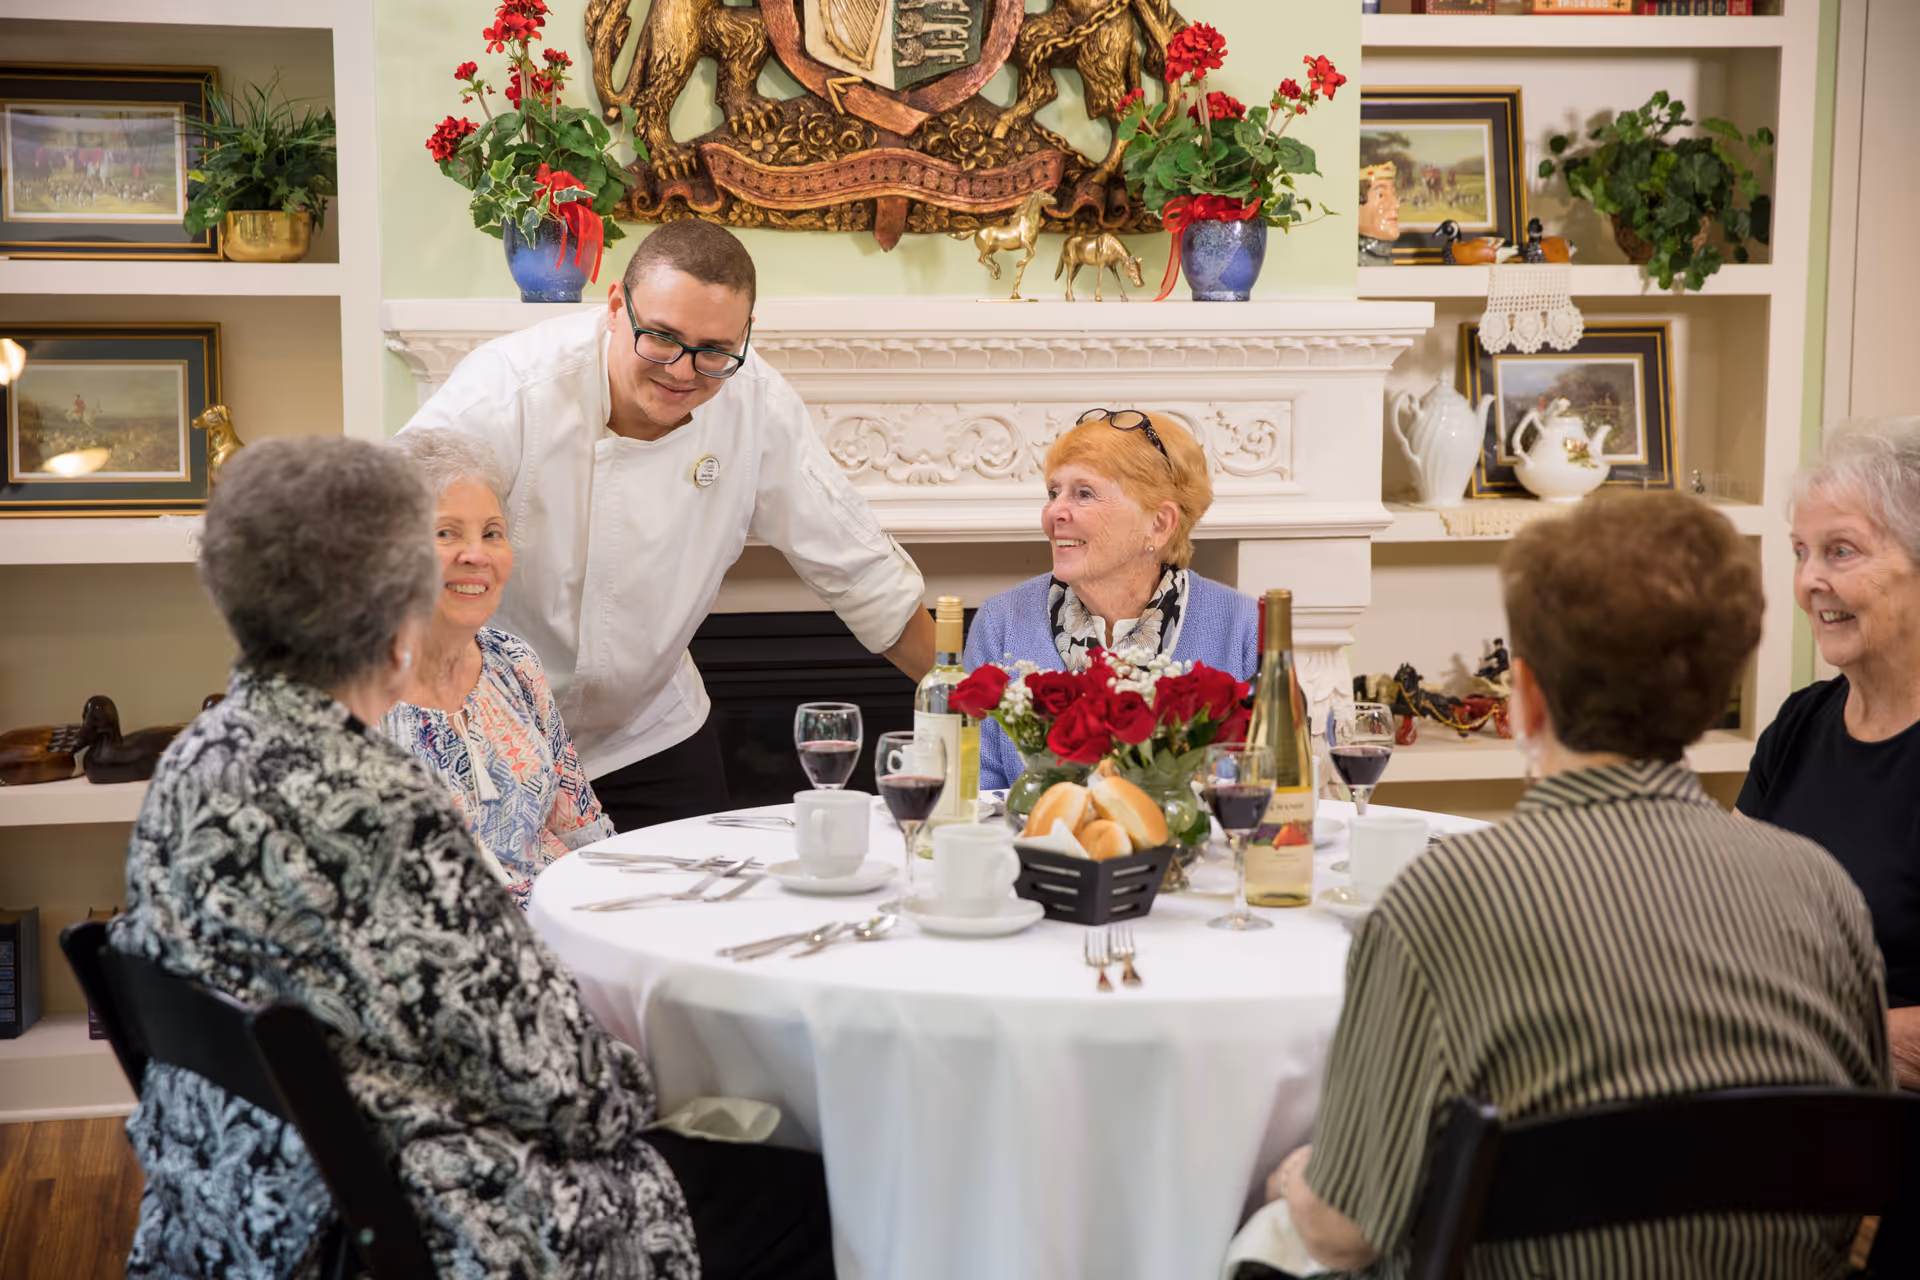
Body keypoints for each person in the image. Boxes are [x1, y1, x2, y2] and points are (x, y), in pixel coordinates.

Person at [112, 438, 833, 1279]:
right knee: (812, 1187)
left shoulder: (198, 756)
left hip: (220, 1204)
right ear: (392, 606)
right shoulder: (379, 801)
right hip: (391, 1219)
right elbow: (573, 1092)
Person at [1263, 492, 1890, 1278]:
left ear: (1524, 697)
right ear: (1709, 694)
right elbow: (1862, 1178)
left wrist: (1293, 1181)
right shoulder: (1822, 888)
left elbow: (1345, 1230)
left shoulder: (1444, 898)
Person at [402, 218, 935, 830]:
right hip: (494, 725)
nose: (683, 372)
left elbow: (860, 571)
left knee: (695, 912)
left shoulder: (755, 401)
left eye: (714, 351)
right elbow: (388, 535)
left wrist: (988, 710)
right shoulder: (509, 389)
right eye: (660, 337)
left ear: (746, 335)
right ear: (613, 308)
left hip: (650, 733)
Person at [1739, 416, 1920, 1085]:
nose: (1809, 580)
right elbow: (1726, 909)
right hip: (1775, 1088)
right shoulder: (1801, 722)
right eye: (1799, 552)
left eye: (1841, 551)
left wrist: (1789, 1030)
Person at [963, 408, 1257, 790]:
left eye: (1083, 493)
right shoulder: (1001, 622)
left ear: (1160, 523)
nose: (1055, 512)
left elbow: (1267, 788)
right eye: (1053, 492)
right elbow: (971, 791)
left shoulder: (1243, 626)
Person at [382, 427, 612, 911]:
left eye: (491, 533)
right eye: (446, 533)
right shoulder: (345, 694)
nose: (477, 555)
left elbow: (580, 825)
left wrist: (623, 911)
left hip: (564, 923)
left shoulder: (513, 663)